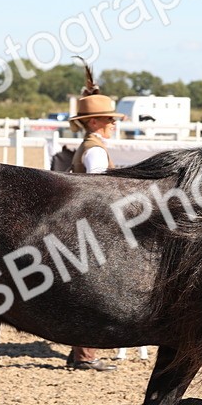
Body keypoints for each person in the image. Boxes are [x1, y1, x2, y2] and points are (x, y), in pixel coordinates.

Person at [63, 62, 124, 371]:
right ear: (97, 120)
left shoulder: (88, 146)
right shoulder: (95, 151)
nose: (113, 124)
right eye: (110, 120)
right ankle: (85, 355)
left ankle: (79, 352)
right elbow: (100, 190)